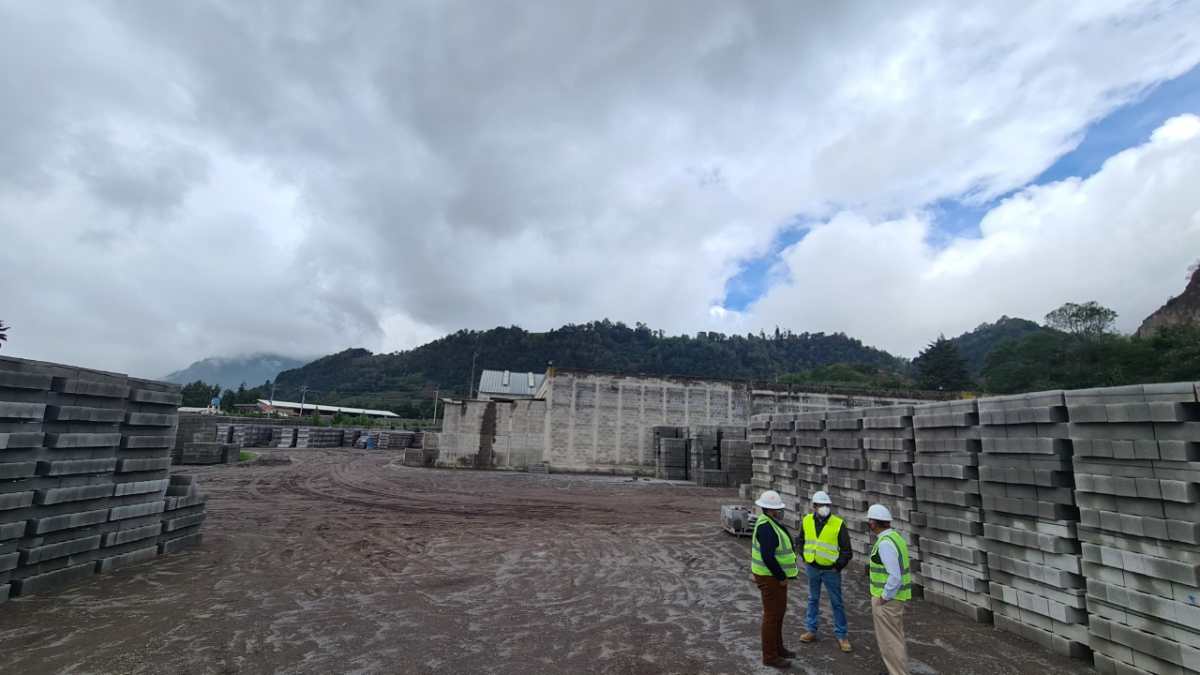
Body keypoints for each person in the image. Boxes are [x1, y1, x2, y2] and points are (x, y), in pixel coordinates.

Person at [797, 490, 852, 652]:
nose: (824, 507)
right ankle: (811, 630)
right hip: (812, 567)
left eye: (827, 505)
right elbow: (800, 540)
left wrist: (838, 566)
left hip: (831, 570)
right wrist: (804, 556)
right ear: (814, 506)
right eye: (821, 505)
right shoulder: (807, 520)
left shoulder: (838, 524)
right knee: (813, 599)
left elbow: (847, 550)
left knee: (837, 602)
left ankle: (842, 635)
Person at [751, 490, 799, 669]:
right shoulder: (767, 527)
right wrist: (781, 576)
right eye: (778, 509)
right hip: (770, 577)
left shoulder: (770, 523)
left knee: (778, 613)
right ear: (771, 510)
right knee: (772, 616)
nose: (780, 511)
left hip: (772, 577)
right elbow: (768, 557)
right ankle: (770, 656)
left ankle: (778, 648)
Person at [866, 503, 911, 675]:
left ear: (873, 523)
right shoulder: (895, 537)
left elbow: (895, 576)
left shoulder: (885, 543)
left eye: (870, 521)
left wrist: (884, 597)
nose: (869, 524)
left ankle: (898, 672)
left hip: (887, 601)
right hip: (894, 599)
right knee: (895, 638)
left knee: (890, 642)